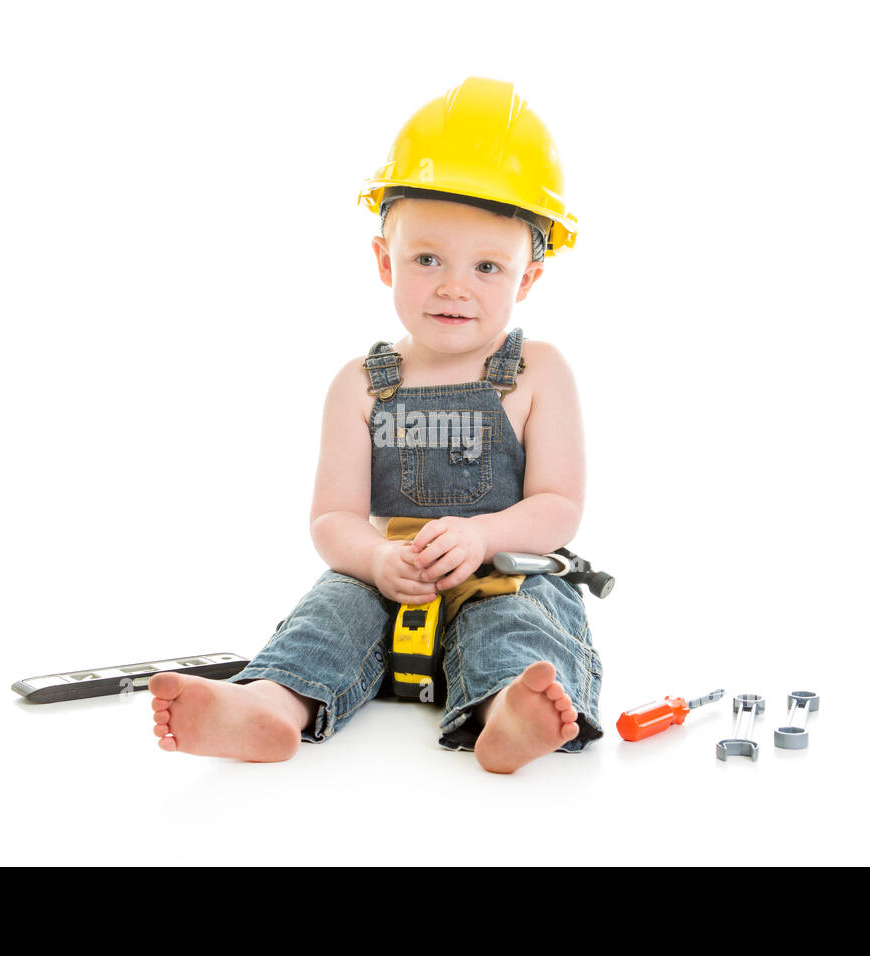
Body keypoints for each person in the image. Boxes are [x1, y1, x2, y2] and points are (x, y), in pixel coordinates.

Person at [148, 77, 604, 773]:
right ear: (384, 259)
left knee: (517, 623)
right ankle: (270, 705)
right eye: (427, 259)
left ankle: (506, 711)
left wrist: (484, 533)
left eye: (487, 266)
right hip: (394, 583)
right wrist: (376, 562)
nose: (455, 285)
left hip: (502, 573)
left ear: (529, 278)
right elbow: (334, 518)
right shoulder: (360, 384)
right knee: (332, 610)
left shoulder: (538, 371)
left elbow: (559, 506)